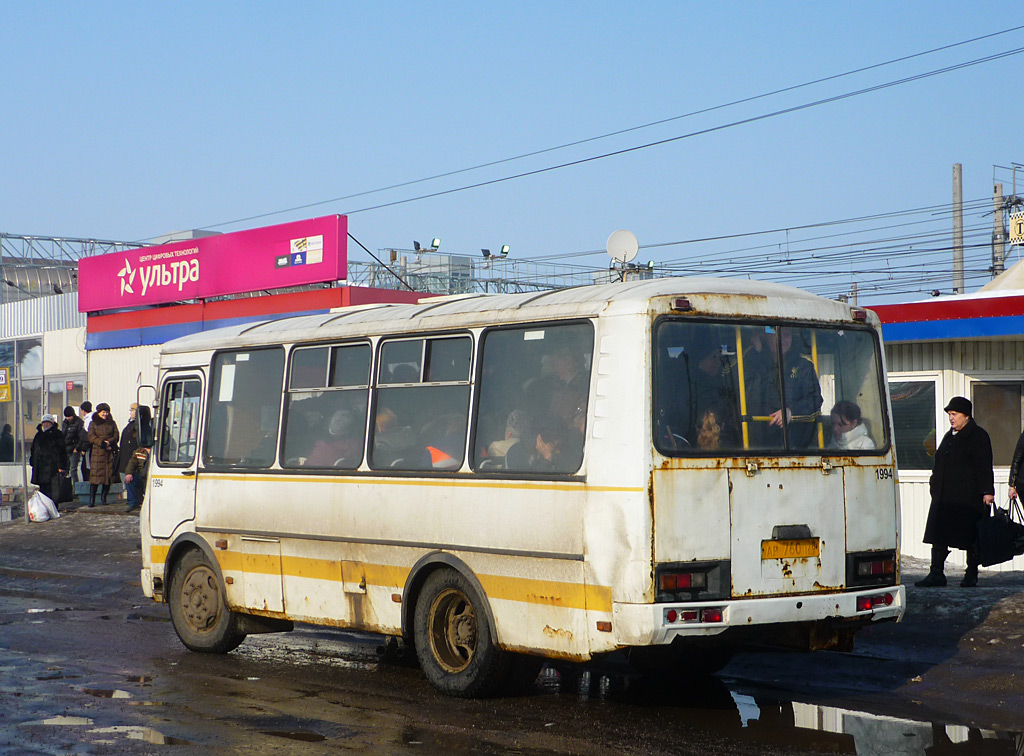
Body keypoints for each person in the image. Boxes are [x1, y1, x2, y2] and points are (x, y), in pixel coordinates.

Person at [916, 396, 995, 588]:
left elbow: (984, 466)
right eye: (950, 414)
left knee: (970, 535)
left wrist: (987, 491)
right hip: (944, 496)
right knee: (939, 534)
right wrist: (934, 484)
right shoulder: (949, 436)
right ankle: (936, 573)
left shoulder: (978, 436)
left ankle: (971, 574)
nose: (951, 418)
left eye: (955, 414)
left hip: (967, 497)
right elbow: (939, 461)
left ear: (966, 416)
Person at [769, 329, 823, 448]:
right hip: (758, 444)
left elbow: (815, 400)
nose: (782, 340)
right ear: (766, 337)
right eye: (777, 335)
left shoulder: (803, 365)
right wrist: (754, 352)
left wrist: (790, 411)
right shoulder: (752, 363)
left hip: (796, 444)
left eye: (786, 335)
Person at [29, 414, 68, 507]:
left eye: (48, 422)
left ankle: (53, 508)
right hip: (40, 467)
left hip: (52, 467)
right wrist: (33, 461)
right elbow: (33, 449)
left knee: (53, 490)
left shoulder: (57, 434)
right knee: (42, 489)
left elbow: (62, 452)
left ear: (52, 423)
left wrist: (62, 466)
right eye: (44, 422)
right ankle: (45, 508)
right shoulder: (38, 435)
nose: (46, 424)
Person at [86, 402, 119, 508]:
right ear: (98, 413)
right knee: (95, 477)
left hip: (109, 453)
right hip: (97, 452)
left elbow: (116, 435)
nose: (105, 414)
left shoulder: (112, 423)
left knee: (107, 477)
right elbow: (91, 436)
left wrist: (109, 442)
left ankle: (104, 498)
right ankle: (92, 499)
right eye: (103, 412)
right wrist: (102, 443)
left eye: (106, 412)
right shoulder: (93, 423)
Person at [124, 443, 151, 514]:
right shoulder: (138, 451)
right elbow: (132, 463)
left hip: (152, 476)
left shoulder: (158, 450)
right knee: (129, 479)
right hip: (142, 475)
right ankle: (133, 503)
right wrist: (128, 473)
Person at [117, 403, 140, 487]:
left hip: (130, 463)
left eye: (132, 410)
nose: (130, 412)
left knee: (131, 489)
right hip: (126, 462)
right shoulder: (131, 424)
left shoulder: (137, 426)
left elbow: (133, 445)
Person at [61, 406, 85, 483]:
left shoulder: (79, 422)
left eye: (69, 416)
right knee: (65, 469)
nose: (68, 418)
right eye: (66, 417)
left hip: (74, 449)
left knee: (73, 469)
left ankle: (75, 488)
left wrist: (77, 448)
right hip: (65, 449)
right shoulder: (64, 423)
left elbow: (81, 437)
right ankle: (66, 487)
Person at [77, 401, 94, 481]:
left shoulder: (88, 419)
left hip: (89, 448)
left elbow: (87, 436)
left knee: (86, 468)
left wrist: (83, 448)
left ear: (83, 410)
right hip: (91, 446)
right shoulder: (93, 417)